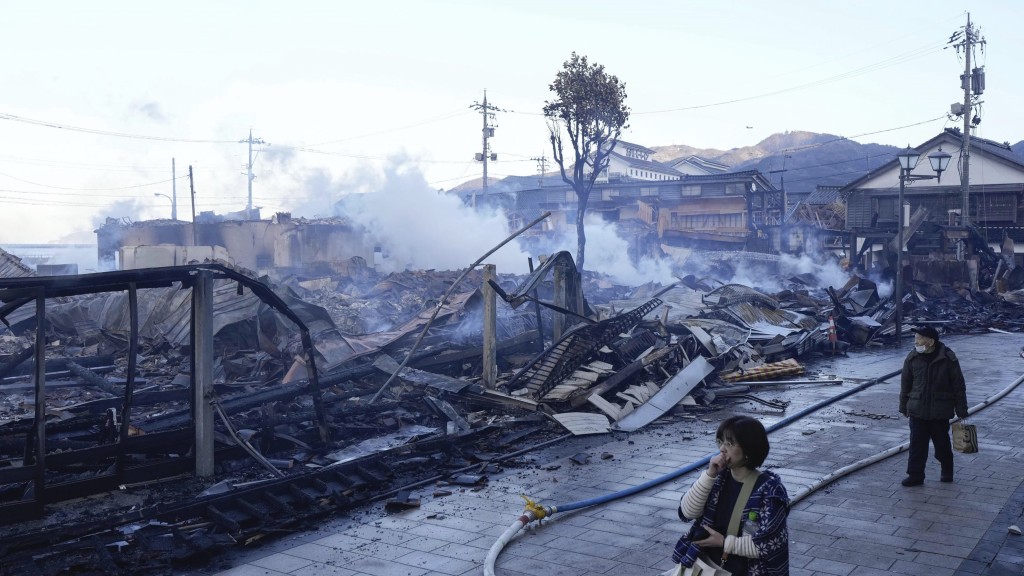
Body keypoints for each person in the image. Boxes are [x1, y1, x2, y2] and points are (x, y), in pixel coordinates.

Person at [671, 416, 789, 576]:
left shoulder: (770, 490)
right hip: (706, 565)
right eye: (721, 442)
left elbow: (767, 545)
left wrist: (724, 542)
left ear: (749, 449)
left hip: (746, 570)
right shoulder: (718, 478)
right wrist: (709, 474)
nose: (722, 449)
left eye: (730, 443)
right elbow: (687, 512)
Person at [899, 326, 968, 486]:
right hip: (918, 409)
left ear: (930, 341)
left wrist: (961, 409)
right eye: (915, 337)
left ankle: (947, 470)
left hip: (940, 411)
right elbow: (905, 384)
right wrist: (904, 406)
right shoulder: (912, 357)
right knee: (917, 445)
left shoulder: (948, 358)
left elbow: (958, 385)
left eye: (919, 338)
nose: (916, 341)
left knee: (942, 445)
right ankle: (915, 475)